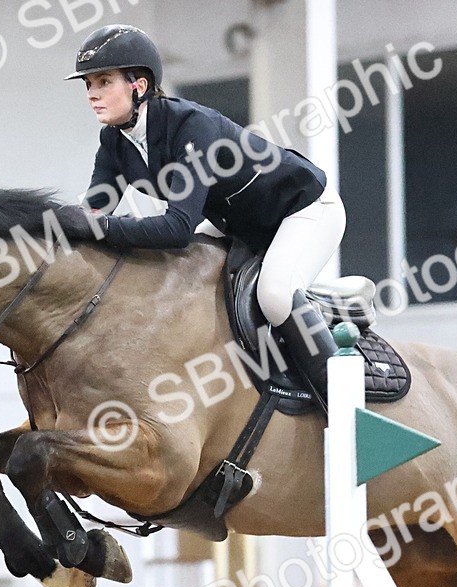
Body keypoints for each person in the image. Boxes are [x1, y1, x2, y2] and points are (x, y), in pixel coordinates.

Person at [55, 24, 348, 402]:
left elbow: (177, 228)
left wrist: (98, 226)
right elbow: (95, 211)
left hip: (303, 208)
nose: (92, 94)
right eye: (88, 85)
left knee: (274, 296)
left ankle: (343, 404)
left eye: (103, 81)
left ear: (138, 86)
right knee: (180, 276)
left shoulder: (191, 126)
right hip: (240, 222)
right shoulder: (114, 140)